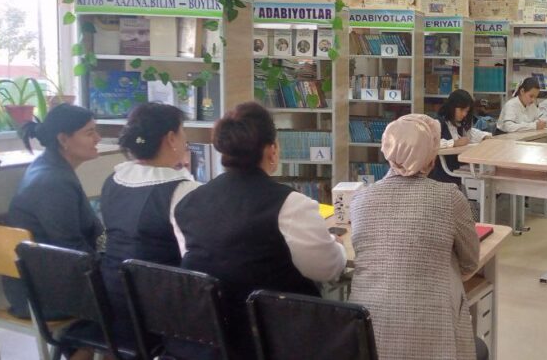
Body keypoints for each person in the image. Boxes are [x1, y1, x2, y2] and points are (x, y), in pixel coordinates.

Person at [174, 102, 346, 359]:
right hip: (281, 338)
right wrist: (337, 246)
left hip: (213, 338)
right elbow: (327, 269)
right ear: (271, 149)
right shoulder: (291, 205)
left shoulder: (187, 202)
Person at [349, 114, 486, 360]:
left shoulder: (360, 200)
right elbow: (470, 263)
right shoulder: (450, 197)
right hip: (433, 332)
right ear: (431, 158)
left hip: (366, 333)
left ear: (387, 152)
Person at [98, 103, 199, 348]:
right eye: (183, 132)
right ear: (171, 138)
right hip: (159, 310)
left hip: (110, 300)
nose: (186, 140)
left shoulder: (114, 179)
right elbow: (197, 255)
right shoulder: (183, 190)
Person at [4, 105, 103, 318]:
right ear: (63, 139)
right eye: (89, 133)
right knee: (141, 299)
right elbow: (71, 248)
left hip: (50, 280)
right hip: (45, 294)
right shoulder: (53, 182)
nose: (98, 138)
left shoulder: (51, 167)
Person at [430, 90, 492, 186]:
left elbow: (470, 133)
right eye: (462, 110)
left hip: (456, 168)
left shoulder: (457, 123)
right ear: (452, 106)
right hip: (443, 173)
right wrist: (455, 143)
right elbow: (431, 144)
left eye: (466, 111)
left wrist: (484, 136)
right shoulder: (438, 122)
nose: (464, 114)